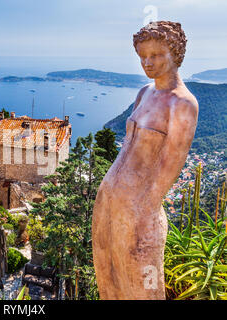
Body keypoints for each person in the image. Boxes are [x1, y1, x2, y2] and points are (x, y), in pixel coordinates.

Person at [92, 21, 199, 300]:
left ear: (175, 54)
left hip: (138, 208)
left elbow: (172, 165)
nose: (147, 63)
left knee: (142, 283)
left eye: (155, 55)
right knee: (108, 277)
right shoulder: (144, 93)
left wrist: (145, 207)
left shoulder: (183, 103)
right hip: (109, 198)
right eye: (142, 56)